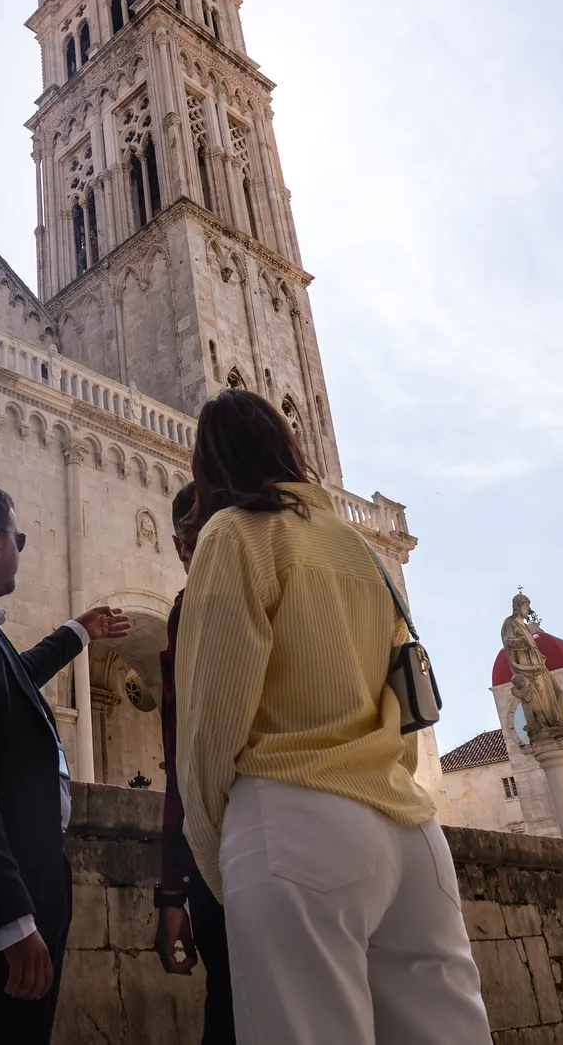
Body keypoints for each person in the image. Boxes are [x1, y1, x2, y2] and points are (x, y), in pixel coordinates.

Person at [174, 390, 492, 1045]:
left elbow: (213, 722)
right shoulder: (357, 547)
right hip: (411, 831)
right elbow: (402, 701)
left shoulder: (233, 534)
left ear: (211, 465)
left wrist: (213, 853)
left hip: (297, 820)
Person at [0, 479, 130, 1045]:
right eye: (19, 536)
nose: (20, 548)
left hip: (27, 895)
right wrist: (12, 917)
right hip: (4, 911)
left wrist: (77, 632)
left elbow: (15, 681)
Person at [155, 483, 235, 1045]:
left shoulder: (194, 612)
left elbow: (187, 757)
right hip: (370, 831)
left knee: (233, 1013)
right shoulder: (346, 560)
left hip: (236, 856)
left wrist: (171, 892)